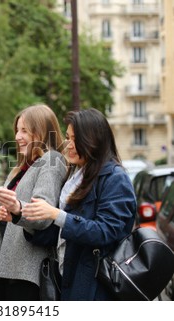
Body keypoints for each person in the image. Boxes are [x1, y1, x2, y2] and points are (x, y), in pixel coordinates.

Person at [21, 108, 136, 300]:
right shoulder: (76, 177)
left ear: (93, 141)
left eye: (76, 139)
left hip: (97, 285)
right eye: (67, 137)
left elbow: (105, 231)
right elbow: (60, 235)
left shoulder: (115, 178)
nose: (69, 145)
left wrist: (56, 214)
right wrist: (20, 216)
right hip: (69, 277)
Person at [0, 104, 67, 301]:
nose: (17, 136)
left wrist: (17, 208)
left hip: (26, 272)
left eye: (24, 131)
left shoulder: (51, 161)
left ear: (41, 132)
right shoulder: (24, 166)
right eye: (17, 130)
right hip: (7, 268)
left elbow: (43, 215)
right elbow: (10, 220)